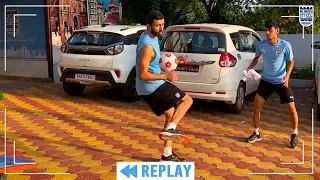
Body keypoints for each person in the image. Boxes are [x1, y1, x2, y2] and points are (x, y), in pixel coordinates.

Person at [135, 10, 193, 161]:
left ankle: (167, 154)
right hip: (151, 85)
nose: (161, 28)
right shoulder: (147, 46)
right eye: (157, 25)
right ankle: (171, 129)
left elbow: (156, 62)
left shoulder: (150, 36)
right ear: (148, 26)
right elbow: (142, 74)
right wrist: (166, 76)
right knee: (187, 101)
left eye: (163, 24)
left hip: (151, 84)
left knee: (171, 112)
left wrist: (175, 62)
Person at [246, 20, 299, 148]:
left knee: (292, 109)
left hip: (281, 81)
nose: (267, 33)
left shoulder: (285, 45)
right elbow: (257, 57)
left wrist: (287, 76)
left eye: (270, 30)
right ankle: (257, 132)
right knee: (256, 107)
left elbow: (291, 62)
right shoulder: (261, 44)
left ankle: (294, 134)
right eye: (266, 30)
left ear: (277, 31)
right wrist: (249, 68)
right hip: (266, 81)